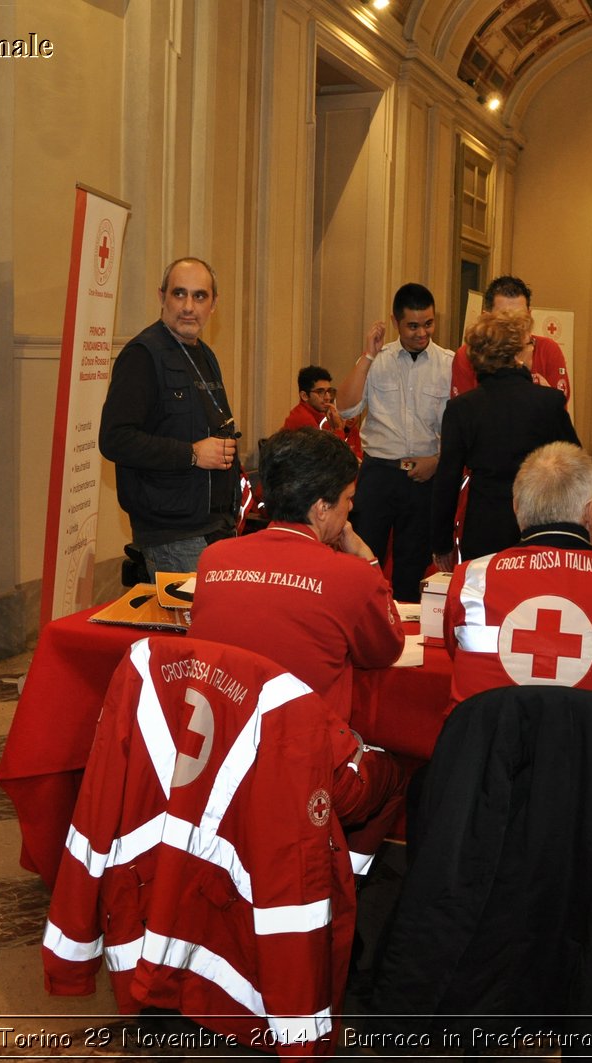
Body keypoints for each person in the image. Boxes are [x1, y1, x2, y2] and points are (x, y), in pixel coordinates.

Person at [191, 428, 406, 845]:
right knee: (397, 772)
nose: (351, 511)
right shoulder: (351, 576)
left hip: (216, 759)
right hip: (303, 774)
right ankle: (344, 875)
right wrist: (368, 561)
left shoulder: (213, 558)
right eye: (348, 501)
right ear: (322, 508)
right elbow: (387, 648)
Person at [444, 442, 592, 707]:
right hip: (591, 744)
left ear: (516, 507)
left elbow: (458, 657)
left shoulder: (470, 579)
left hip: (485, 744)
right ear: (591, 511)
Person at [99, 257, 240, 578]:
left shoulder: (204, 354)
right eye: (179, 294)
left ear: (213, 304)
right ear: (162, 297)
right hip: (172, 534)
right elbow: (115, 439)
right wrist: (191, 454)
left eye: (200, 296)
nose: (189, 306)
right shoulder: (142, 355)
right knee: (185, 627)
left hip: (212, 525)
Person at [335, 282, 454, 602]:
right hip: (379, 475)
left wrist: (438, 460)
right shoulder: (378, 360)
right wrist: (367, 355)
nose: (421, 332)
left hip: (424, 477)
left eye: (428, 323)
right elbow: (345, 407)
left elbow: (458, 432)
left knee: (412, 569)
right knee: (361, 561)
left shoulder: (449, 363)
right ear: (396, 321)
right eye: (412, 325)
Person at [430, 311, 578, 567]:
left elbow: (447, 480)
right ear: (517, 354)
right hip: (538, 524)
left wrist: (441, 543)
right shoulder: (548, 401)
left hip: (484, 525)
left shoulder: (461, 408)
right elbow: (575, 468)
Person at [450, 275, 571, 400]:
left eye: (520, 317)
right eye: (504, 318)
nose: (513, 326)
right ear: (486, 318)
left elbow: (558, 410)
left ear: (529, 316)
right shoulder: (467, 355)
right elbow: (465, 412)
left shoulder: (548, 350)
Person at [281, 364, 359, 453]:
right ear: (304, 396)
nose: (327, 397)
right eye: (320, 392)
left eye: (329, 391)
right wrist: (338, 428)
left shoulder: (320, 416)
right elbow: (331, 457)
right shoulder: (304, 418)